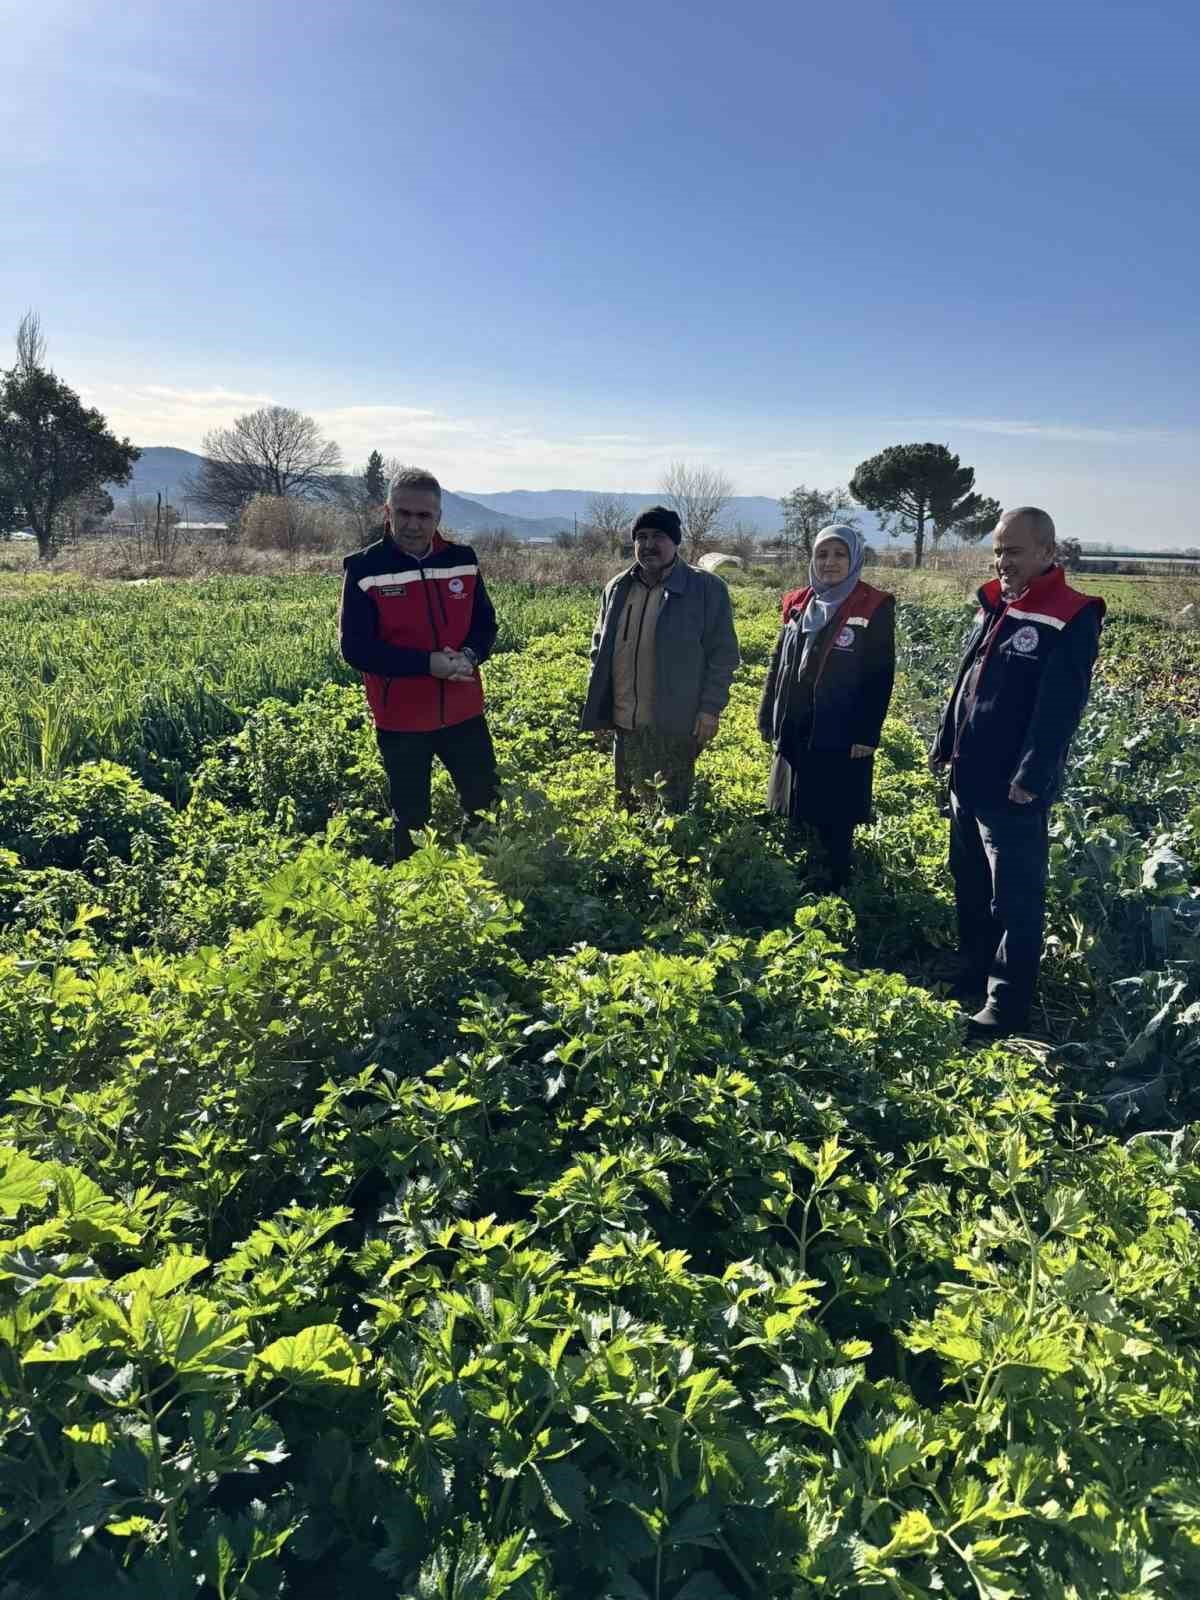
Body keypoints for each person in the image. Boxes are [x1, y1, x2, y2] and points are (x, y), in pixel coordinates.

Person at [930, 505, 1105, 1040]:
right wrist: (944, 742)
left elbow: (1060, 708)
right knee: (970, 880)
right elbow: (969, 681)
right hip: (969, 774)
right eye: (998, 550)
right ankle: (973, 971)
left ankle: (1005, 1005)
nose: (1003, 561)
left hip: (1012, 788)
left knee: (1015, 898)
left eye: (1015, 550)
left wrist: (1031, 775)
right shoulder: (997, 603)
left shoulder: (1069, 615)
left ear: (1049, 552)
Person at [339, 465, 499, 861]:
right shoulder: (364, 569)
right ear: (387, 512)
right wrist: (427, 664)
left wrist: (469, 656)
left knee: (486, 804)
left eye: (424, 515)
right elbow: (357, 650)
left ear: (438, 517)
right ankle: (413, 901)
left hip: (464, 712)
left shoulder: (463, 559)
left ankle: (482, 878)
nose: (413, 524)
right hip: (401, 720)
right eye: (404, 513)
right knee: (411, 819)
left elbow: (485, 625)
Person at [758, 524, 895, 889]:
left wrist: (867, 732)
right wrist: (767, 712)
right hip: (798, 718)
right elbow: (779, 661)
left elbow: (880, 674)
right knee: (797, 792)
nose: (830, 562)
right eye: (822, 554)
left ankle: (835, 877)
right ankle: (800, 867)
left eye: (839, 554)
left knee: (835, 803)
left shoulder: (874, 604)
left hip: (841, 723)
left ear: (854, 559)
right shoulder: (798, 602)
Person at [580, 505, 740, 810]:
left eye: (658, 536)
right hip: (625, 724)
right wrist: (598, 706)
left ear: (675, 541)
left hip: (675, 725)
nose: (648, 544)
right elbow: (599, 651)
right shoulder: (617, 588)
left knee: (670, 811)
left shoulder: (706, 588)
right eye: (641, 536)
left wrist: (710, 709)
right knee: (627, 808)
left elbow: (724, 656)